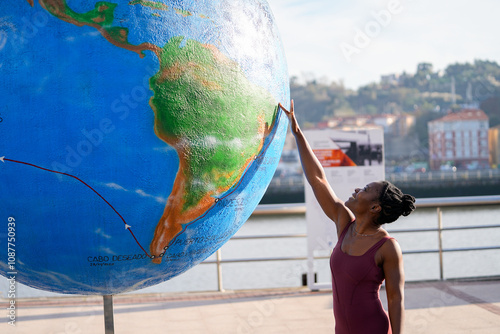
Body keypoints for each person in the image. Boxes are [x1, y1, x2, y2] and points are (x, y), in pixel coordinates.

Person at [279, 100, 416, 334]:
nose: (356, 190)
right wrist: (297, 132)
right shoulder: (344, 223)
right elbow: (318, 180)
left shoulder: (387, 248)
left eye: (364, 189)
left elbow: (396, 300)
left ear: (375, 208)